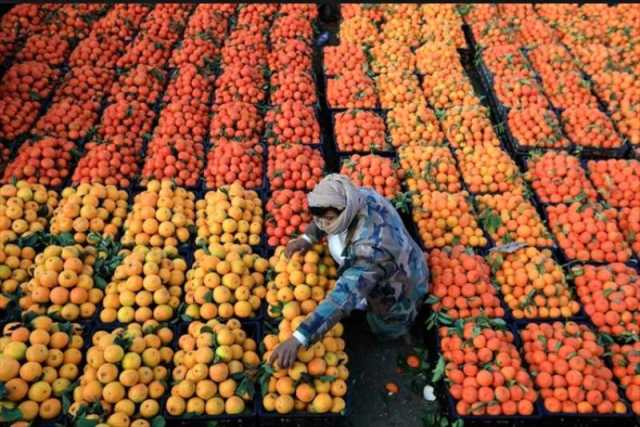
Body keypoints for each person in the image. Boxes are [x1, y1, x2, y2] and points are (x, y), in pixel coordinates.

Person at [269, 174, 429, 368]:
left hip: (401, 281)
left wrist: (300, 337)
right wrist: (308, 238)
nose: (323, 224)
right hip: (393, 257)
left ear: (346, 211)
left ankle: (396, 337)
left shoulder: (370, 250)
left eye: (329, 219)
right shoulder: (355, 196)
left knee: (387, 318)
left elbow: (342, 297)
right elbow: (323, 215)